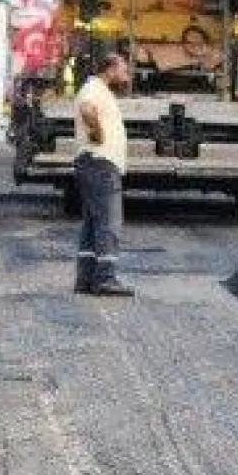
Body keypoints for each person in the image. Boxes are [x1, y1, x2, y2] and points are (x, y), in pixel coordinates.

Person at [73, 53, 133, 297]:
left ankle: (86, 278)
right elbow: (87, 110)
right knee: (109, 221)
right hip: (100, 163)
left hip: (94, 163)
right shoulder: (94, 88)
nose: (126, 75)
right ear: (109, 69)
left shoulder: (100, 89)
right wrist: (97, 132)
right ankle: (106, 278)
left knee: (92, 223)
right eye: (123, 70)